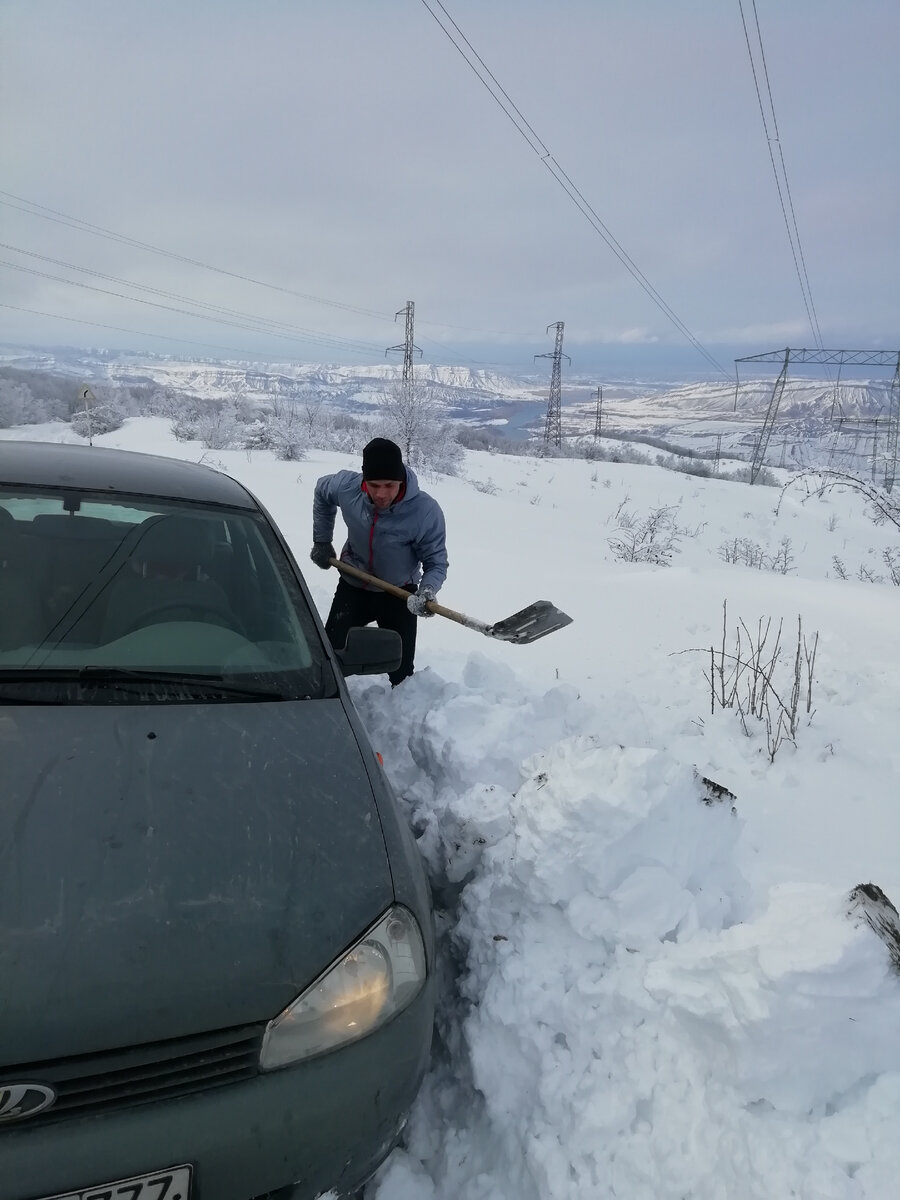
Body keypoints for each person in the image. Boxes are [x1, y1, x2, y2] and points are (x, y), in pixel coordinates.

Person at [310, 437, 448, 686]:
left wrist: (426, 591)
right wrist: (322, 541)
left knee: (401, 673)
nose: (381, 494)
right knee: (329, 660)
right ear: (364, 480)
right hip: (353, 585)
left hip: (398, 594)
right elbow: (322, 491)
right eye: (374, 485)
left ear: (401, 480)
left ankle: (401, 716)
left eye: (389, 485)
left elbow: (436, 561)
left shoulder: (425, 512)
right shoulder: (346, 487)